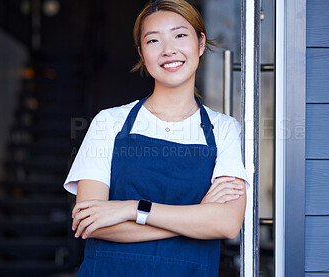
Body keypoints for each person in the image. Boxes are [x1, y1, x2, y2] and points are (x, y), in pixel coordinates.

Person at [63, 0, 249, 276]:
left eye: (180, 35)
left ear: (200, 44)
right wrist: (197, 215)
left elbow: (227, 224)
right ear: (142, 53)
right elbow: (92, 222)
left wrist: (131, 209)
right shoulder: (109, 123)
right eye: (153, 40)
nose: (168, 50)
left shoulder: (225, 130)